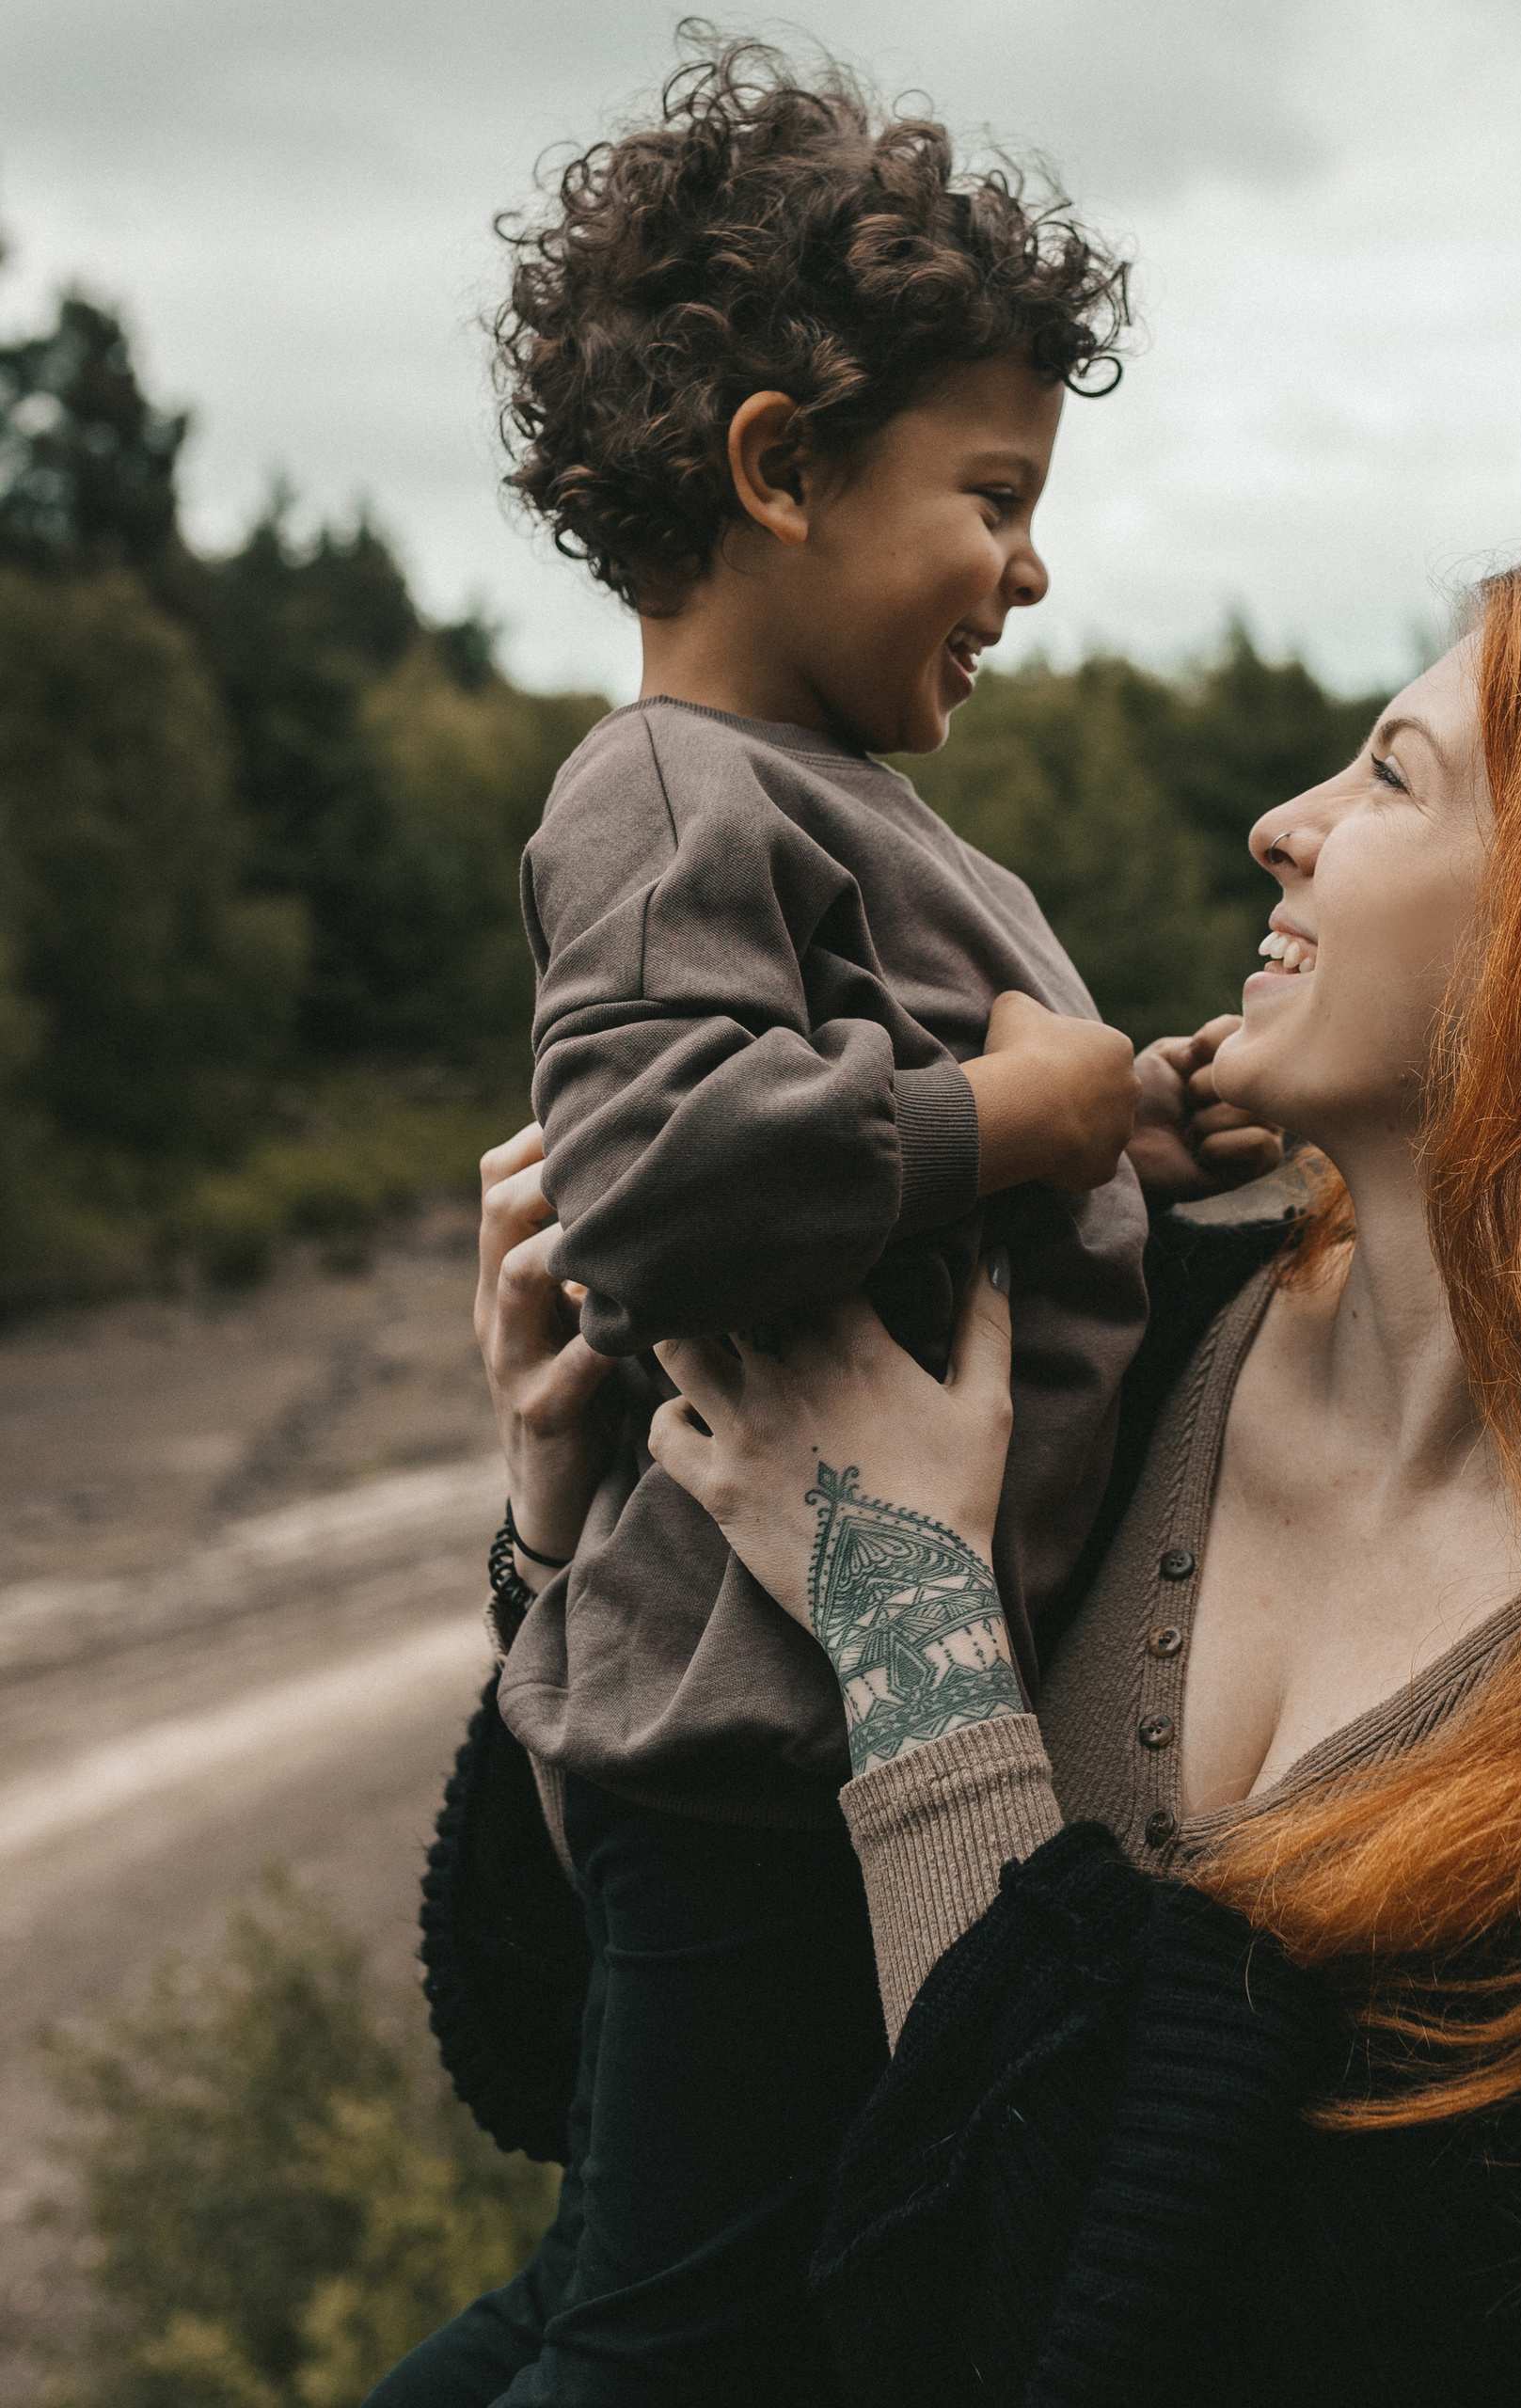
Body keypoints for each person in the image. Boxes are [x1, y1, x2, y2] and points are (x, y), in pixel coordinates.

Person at [431, 549, 1521, 2402]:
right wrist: (560, 1513)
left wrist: (908, 1622)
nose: (1276, 825)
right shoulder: (1098, 1353)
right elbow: (550, 2050)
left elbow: (1099, 2336)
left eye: (1389, 777)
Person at [372, 40, 1275, 2406]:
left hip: (785, 1732)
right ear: (781, 467)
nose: (1034, 562)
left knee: (615, 2297)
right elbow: (655, 1174)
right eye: (992, 493)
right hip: (747, 1757)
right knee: (681, 2347)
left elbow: (950, 1163)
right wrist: (1000, 1115)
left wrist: (1129, 1117)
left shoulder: (841, 812)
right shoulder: (661, 788)